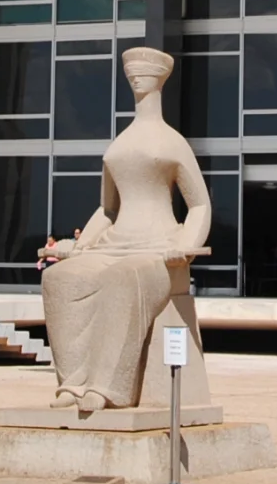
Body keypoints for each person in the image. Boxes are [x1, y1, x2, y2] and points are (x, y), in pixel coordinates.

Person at [36, 47, 211, 412]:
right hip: (114, 244)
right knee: (60, 280)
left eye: (143, 72)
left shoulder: (173, 141)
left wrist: (186, 244)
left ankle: (106, 386)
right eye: (131, 72)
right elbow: (108, 209)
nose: (136, 77)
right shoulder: (120, 143)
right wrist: (81, 245)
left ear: (160, 79)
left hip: (157, 250)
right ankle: (73, 382)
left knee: (122, 278)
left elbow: (199, 204)